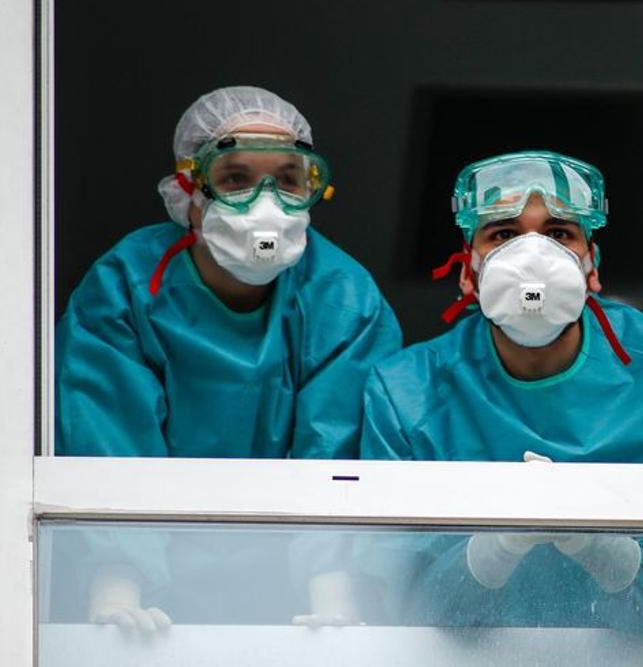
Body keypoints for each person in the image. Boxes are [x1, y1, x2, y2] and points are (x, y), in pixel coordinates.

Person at [55, 85, 403, 632]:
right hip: (150, 581)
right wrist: (117, 586)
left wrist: (333, 599)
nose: (265, 203)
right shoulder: (127, 285)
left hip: (289, 594)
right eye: (235, 178)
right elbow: (107, 434)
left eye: (289, 180)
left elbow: (336, 455)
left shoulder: (342, 297)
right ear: (188, 190)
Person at [357, 150, 643, 632]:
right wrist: (496, 547)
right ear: (468, 272)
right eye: (503, 235)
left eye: (559, 234)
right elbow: (398, 602)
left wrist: (598, 545)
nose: (532, 256)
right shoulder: (407, 392)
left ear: (591, 267)